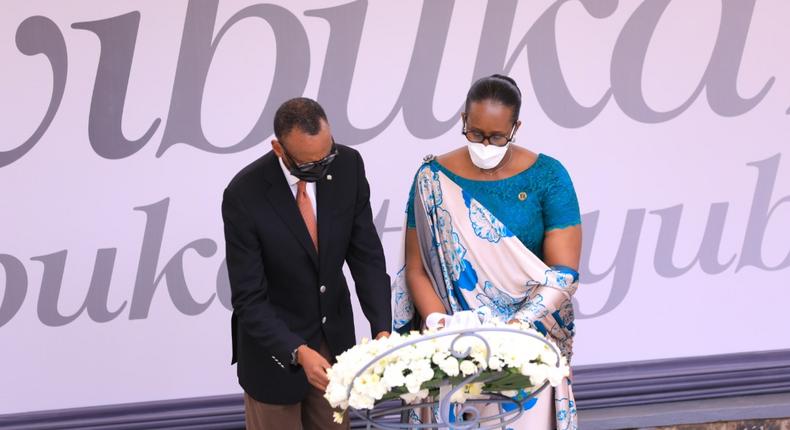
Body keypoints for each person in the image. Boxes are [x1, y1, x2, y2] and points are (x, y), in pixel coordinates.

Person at [392, 75, 581, 429]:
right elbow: (415, 269)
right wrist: (441, 324)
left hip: (526, 349)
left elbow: (564, 273)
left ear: (515, 127)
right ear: (463, 119)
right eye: (475, 133)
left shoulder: (548, 177)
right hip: (452, 352)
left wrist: (516, 328)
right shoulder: (432, 178)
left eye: (496, 137)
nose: (484, 144)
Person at [222, 97, 391, 430]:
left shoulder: (348, 166)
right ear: (278, 149)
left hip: (334, 343)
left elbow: (366, 256)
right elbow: (248, 298)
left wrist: (381, 328)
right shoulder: (244, 195)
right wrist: (296, 350)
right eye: (309, 165)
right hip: (273, 353)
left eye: (327, 157)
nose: (322, 170)